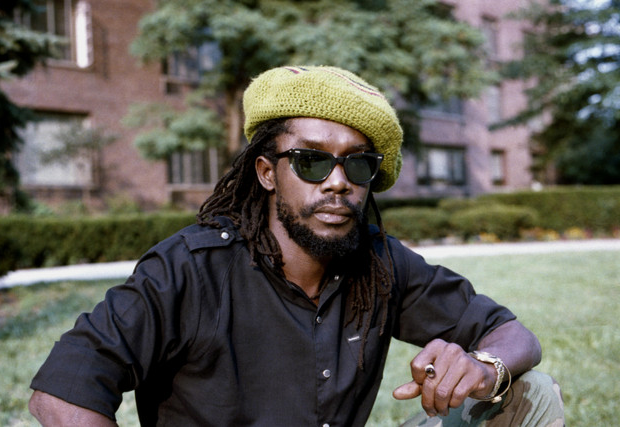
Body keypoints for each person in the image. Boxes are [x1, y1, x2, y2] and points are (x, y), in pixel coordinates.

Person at [29, 65, 564, 426]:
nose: (337, 182)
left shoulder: (380, 262)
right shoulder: (190, 269)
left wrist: (484, 368)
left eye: (357, 164)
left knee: (531, 392)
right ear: (267, 172)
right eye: (311, 161)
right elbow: (62, 390)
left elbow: (513, 334)